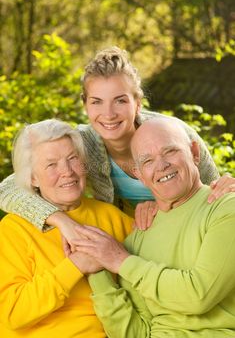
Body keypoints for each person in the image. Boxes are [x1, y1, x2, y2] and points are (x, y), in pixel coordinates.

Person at [0, 46, 234, 244]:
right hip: (131, 238)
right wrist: (60, 220)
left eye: (120, 100)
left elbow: (213, 190)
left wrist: (225, 187)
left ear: (138, 103)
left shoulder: (174, 135)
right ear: (85, 105)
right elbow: (7, 189)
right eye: (97, 102)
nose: (108, 114)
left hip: (188, 233)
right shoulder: (82, 145)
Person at [71, 117, 235, 338]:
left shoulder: (226, 207)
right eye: (147, 161)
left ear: (195, 153)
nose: (161, 165)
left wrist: (121, 262)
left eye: (170, 151)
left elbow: (198, 296)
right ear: (139, 174)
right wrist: (97, 269)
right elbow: (134, 333)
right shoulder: (140, 231)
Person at [0, 119, 133, 337]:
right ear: (33, 177)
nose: (67, 172)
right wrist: (75, 266)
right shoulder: (13, 229)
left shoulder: (111, 216)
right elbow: (13, 312)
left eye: (73, 159)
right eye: (52, 165)